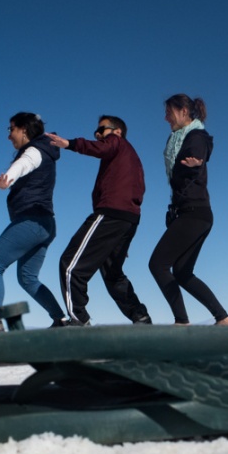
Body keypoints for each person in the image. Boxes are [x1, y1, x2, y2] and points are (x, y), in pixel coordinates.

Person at [47, 116, 152, 326]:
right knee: (113, 273)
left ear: (117, 131)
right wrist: (121, 235)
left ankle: (79, 321)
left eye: (101, 130)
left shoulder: (117, 142)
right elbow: (139, 189)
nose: (97, 134)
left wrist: (70, 144)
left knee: (70, 265)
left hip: (111, 213)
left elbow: (100, 149)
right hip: (127, 218)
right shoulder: (130, 158)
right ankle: (140, 317)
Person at [0, 112, 68, 334]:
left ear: (24, 129)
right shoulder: (45, 151)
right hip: (46, 224)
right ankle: (61, 321)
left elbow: (24, 164)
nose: (9, 136)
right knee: (28, 278)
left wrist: (8, 180)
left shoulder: (35, 150)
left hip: (31, 220)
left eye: (11, 129)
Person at [148, 94, 228, 326]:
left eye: (169, 112)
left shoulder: (196, 136)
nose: (165, 117)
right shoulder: (178, 139)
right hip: (194, 213)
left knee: (157, 264)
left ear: (184, 111)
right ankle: (223, 319)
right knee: (183, 273)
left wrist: (198, 161)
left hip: (194, 213)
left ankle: (181, 322)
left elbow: (199, 151)